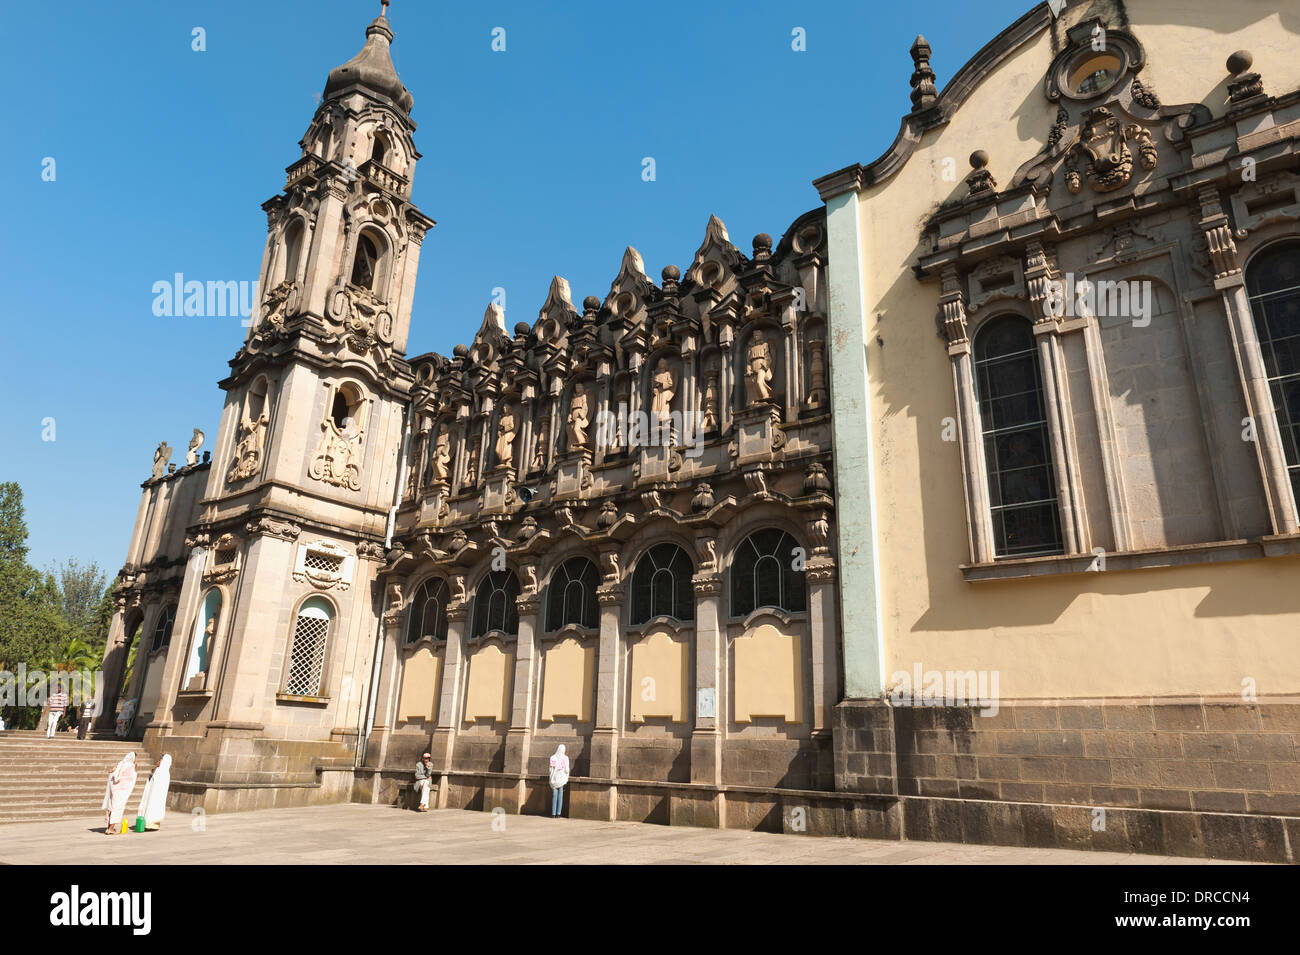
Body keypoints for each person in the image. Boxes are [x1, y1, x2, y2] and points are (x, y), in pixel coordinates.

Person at [102, 752, 137, 835]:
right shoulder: (130, 766)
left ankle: (109, 828)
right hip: (122, 791)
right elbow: (131, 777)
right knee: (117, 809)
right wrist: (135, 767)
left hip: (114, 789)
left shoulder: (120, 764)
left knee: (112, 807)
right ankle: (110, 828)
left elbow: (111, 771)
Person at [135, 754, 172, 831]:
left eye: (160, 760)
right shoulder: (165, 772)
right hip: (155, 795)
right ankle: (152, 824)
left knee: (152, 807)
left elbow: (153, 783)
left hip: (154, 795)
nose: (158, 761)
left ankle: (149, 823)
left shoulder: (161, 771)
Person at [548, 744, 569, 817]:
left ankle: (553, 813)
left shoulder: (553, 757)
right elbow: (567, 770)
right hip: (562, 779)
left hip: (554, 779)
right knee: (560, 796)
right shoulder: (565, 758)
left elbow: (550, 769)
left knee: (554, 795)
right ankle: (558, 814)